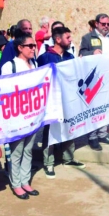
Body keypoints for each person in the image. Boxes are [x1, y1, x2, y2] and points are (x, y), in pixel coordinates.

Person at [37, 27, 86, 179]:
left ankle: (68, 158)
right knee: (50, 131)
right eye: (68, 37)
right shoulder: (45, 57)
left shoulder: (70, 56)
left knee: (69, 127)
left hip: (68, 100)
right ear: (58, 39)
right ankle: (48, 162)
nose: (71, 39)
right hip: (51, 102)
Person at [0, 34, 40, 199]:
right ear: (20, 48)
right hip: (17, 116)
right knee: (16, 151)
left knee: (28, 150)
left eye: (34, 46)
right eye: (30, 46)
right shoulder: (10, 66)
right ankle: (16, 184)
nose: (33, 48)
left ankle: (25, 181)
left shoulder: (35, 64)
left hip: (33, 114)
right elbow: (4, 90)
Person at [78, 14, 109, 150]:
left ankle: (102, 134)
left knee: (106, 106)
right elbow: (82, 54)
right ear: (96, 24)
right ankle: (92, 137)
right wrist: (92, 52)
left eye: (108, 24)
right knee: (94, 108)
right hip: (95, 80)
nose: (106, 26)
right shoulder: (88, 37)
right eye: (103, 24)